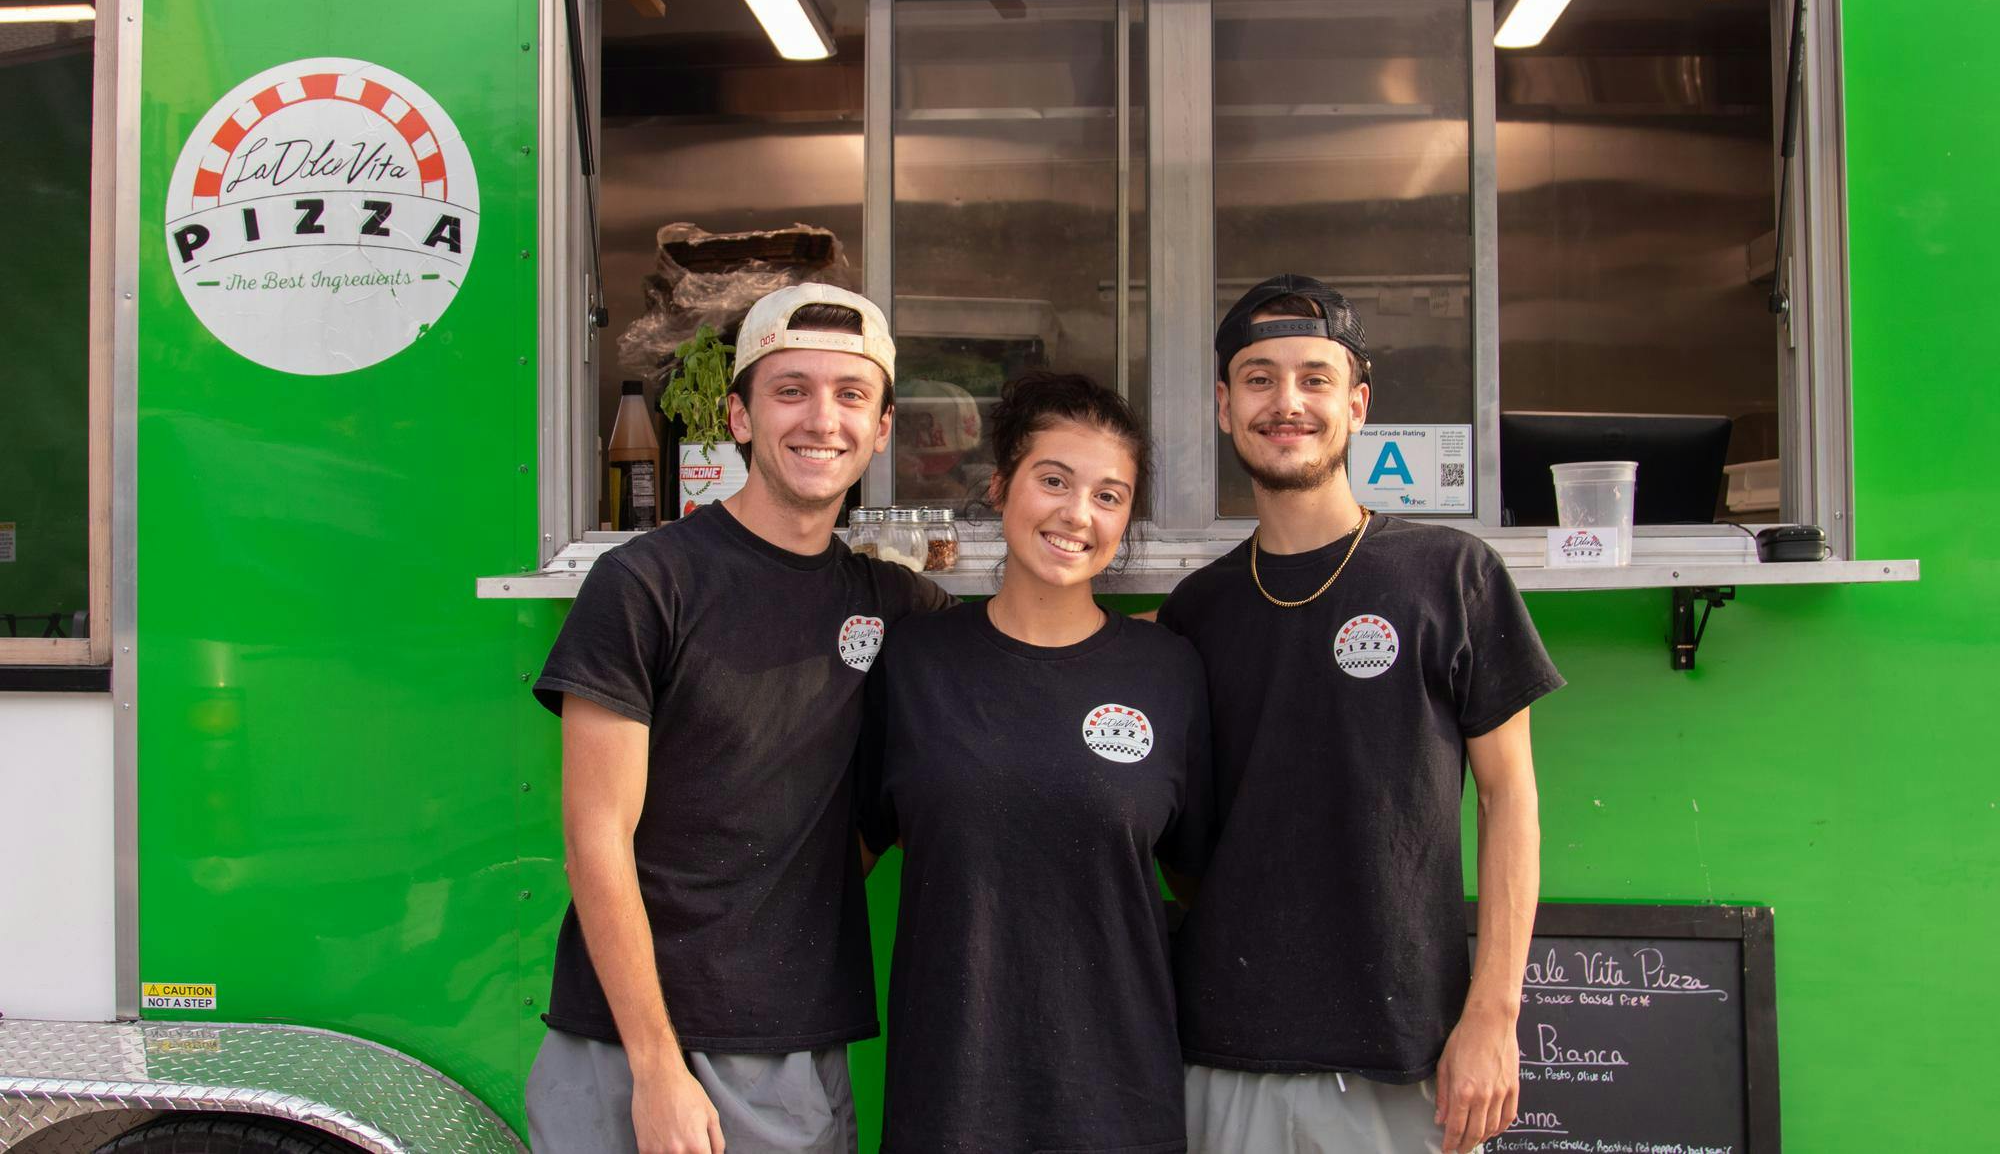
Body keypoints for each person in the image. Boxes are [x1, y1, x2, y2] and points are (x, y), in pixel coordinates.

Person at [526, 283, 953, 1154]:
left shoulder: (896, 605)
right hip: (626, 1047)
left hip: (791, 1050)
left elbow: (1033, 656)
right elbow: (594, 840)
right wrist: (657, 1070)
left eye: (850, 394)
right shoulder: (645, 584)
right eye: (791, 390)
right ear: (739, 415)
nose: (821, 419)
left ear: (881, 428)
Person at [1160, 276, 1563, 1154]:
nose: (1288, 402)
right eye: (1259, 379)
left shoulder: (1451, 574)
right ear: (1224, 407)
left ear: (1357, 403)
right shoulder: (1197, 610)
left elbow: (1510, 799)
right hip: (1222, 1051)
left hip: (1409, 1057)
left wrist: (1493, 1015)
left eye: (1315, 377)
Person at [859, 371, 1213, 1154]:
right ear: (999, 486)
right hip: (948, 1106)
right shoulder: (915, 663)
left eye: (1109, 495)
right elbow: (846, 855)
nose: (1077, 513)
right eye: (1053, 480)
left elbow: (1197, 879)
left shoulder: (1169, 672)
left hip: (1120, 1109)